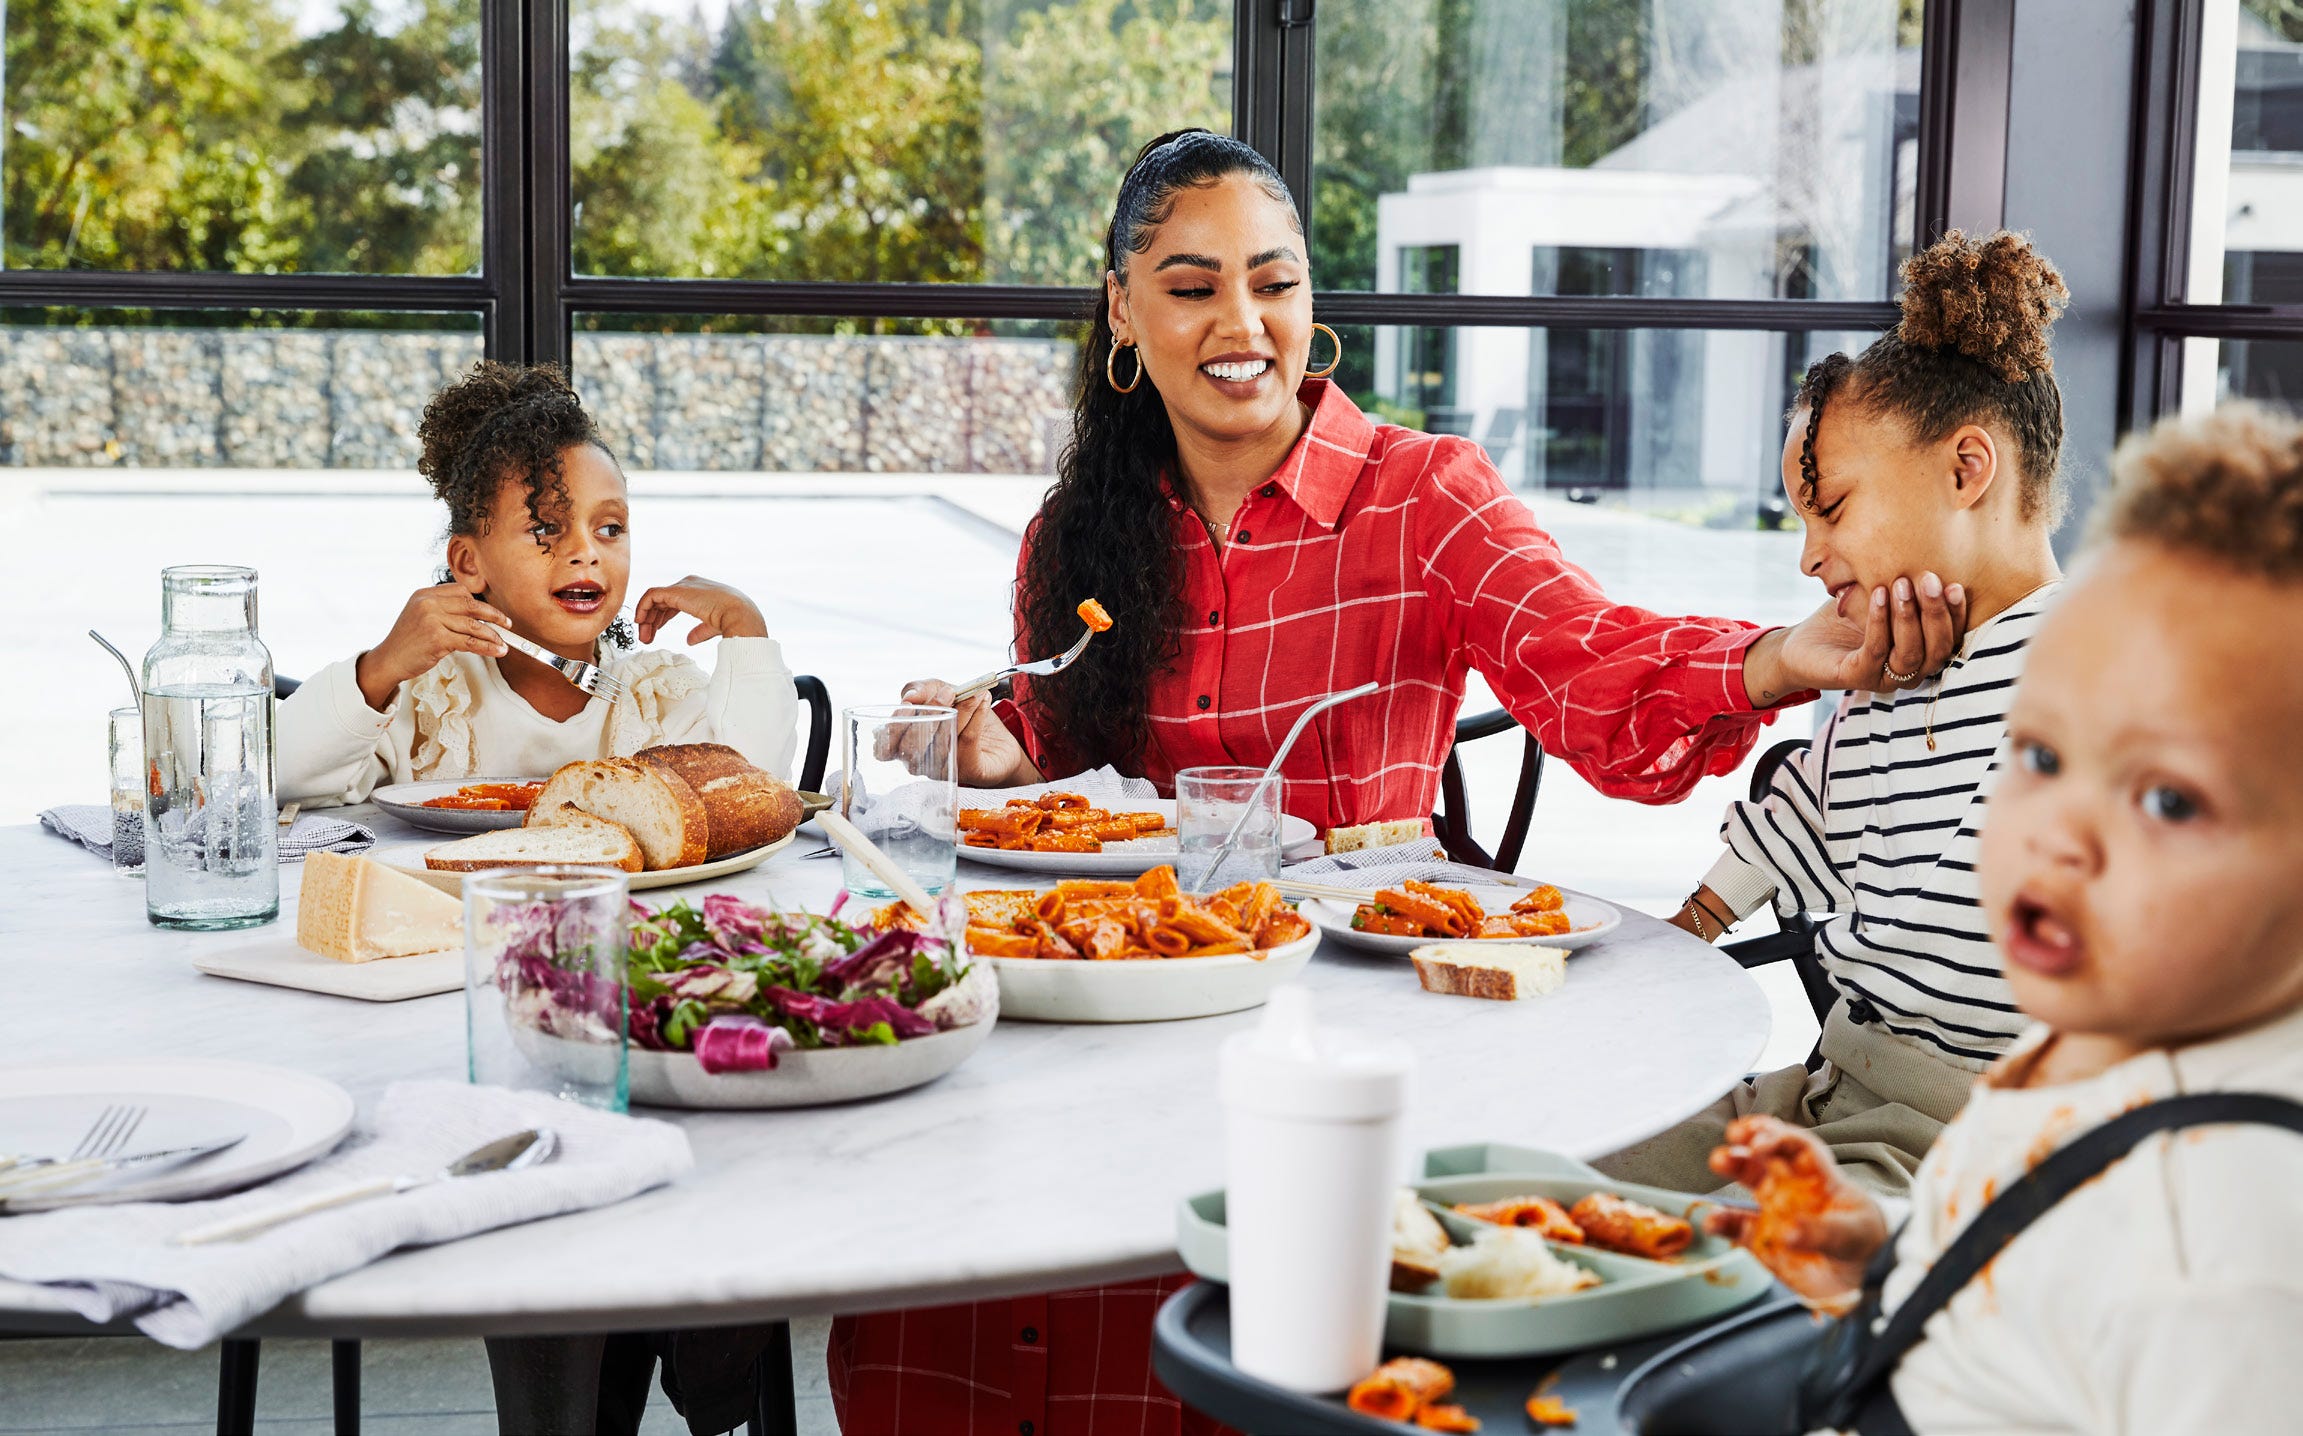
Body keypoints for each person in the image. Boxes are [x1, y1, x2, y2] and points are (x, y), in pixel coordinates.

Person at [846, 128, 1965, 1436]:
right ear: (1121, 310)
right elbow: (1080, 776)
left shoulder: (1419, 496)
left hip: (1355, 1017)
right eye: (1193, 286)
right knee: (966, 1190)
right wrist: (1002, 749)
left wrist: (1778, 656)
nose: (1242, 323)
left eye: (1273, 281)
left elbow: (1579, 655)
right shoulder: (1070, 530)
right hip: (1124, 998)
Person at [1709, 402, 2303, 1433]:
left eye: (2168, 798)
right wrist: (1880, 1248)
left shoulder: (2227, 1249)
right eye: (2036, 755)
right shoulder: (2074, 1056)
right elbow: (2020, 1271)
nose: (2055, 830)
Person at [1601, 231, 2073, 1197]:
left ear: (1965, 470)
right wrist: (1682, 929)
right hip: (1825, 1094)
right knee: (1554, 1150)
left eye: (1834, 509)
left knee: (1735, 1276)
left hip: (1983, 1146)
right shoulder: (1891, 668)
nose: (1809, 557)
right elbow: (1797, 820)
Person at [277, 360, 798, 803]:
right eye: (546, 527)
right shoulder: (425, 700)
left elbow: (753, 793)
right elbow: (276, 777)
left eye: (610, 528)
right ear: (469, 563)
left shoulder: (656, 697)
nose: (586, 552)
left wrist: (745, 629)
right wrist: (380, 667)